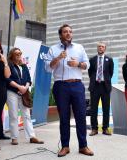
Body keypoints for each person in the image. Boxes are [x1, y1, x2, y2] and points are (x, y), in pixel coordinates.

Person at [45, 24, 94, 157]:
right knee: (64, 118)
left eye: (70, 32)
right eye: (65, 32)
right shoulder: (53, 49)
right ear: (60, 34)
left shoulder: (79, 48)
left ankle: (83, 146)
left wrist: (77, 64)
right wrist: (58, 58)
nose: (68, 34)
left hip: (77, 85)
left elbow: (87, 65)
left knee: (81, 117)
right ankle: (65, 146)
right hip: (61, 86)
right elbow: (48, 68)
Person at [6, 47, 44, 145]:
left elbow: (28, 79)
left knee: (26, 115)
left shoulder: (24, 66)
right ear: (12, 55)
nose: (19, 55)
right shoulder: (8, 65)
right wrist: (19, 87)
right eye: (16, 54)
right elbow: (8, 79)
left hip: (23, 92)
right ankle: (14, 138)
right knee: (13, 115)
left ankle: (32, 137)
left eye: (20, 53)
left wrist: (25, 88)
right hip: (12, 92)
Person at [88, 42, 114, 136]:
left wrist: (104, 80)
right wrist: (95, 79)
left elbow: (111, 73)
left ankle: (105, 128)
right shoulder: (92, 59)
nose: (100, 48)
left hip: (105, 86)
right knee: (93, 108)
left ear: (105, 49)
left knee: (106, 108)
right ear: (97, 48)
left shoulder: (109, 59)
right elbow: (90, 72)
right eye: (99, 46)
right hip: (95, 86)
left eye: (102, 47)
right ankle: (94, 128)